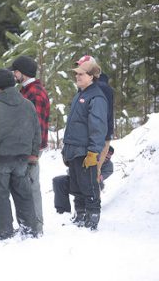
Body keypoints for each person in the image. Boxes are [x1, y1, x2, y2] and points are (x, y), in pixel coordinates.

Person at [0, 68, 41, 240]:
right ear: (13, 84)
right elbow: (36, 132)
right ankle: (30, 232)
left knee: (0, 198)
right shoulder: (28, 105)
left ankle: (5, 234)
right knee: (24, 196)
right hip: (22, 160)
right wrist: (34, 154)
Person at [62, 60, 107, 230]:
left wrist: (93, 152)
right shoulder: (80, 94)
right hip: (73, 149)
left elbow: (98, 127)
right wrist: (66, 147)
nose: (77, 76)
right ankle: (80, 214)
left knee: (89, 185)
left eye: (81, 74)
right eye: (76, 73)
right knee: (76, 185)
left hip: (85, 151)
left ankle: (93, 215)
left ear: (91, 76)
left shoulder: (96, 96)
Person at [9, 55, 50, 235]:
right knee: (23, 187)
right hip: (23, 147)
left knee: (31, 186)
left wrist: (33, 151)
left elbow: (37, 125)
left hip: (30, 149)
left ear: (23, 73)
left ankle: (36, 226)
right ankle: (29, 225)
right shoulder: (26, 90)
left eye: (15, 71)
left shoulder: (35, 93)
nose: (13, 74)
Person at [75, 55, 114, 183]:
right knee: (87, 175)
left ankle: (94, 201)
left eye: (83, 66)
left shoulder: (101, 88)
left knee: (93, 174)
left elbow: (102, 117)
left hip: (99, 138)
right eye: (79, 65)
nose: (79, 69)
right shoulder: (85, 87)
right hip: (88, 137)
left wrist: (98, 142)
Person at [53, 146, 114, 214]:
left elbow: (100, 178)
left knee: (85, 184)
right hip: (77, 181)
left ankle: (86, 210)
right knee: (59, 181)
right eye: (105, 155)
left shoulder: (109, 166)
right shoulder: (89, 157)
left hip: (93, 185)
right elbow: (71, 171)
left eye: (108, 157)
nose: (106, 158)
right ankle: (63, 211)